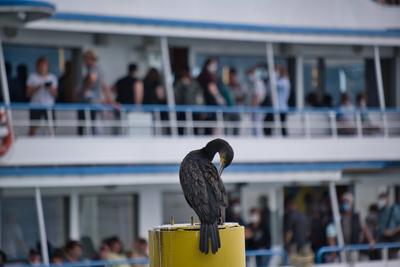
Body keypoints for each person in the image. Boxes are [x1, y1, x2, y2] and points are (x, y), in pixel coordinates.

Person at [77, 50, 114, 135]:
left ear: (89, 59)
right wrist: (110, 99)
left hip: (90, 103)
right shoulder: (99, 69)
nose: (84, 62)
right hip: (95, 103)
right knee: (94, 125)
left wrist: (86, 90)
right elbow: (104, 86)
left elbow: (92, 79)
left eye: (85, 60)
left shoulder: (93, 68)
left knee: (87, 125)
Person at [26, 56, 58, 136]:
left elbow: (56, 95)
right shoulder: (32, 77)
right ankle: (30, 144)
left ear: (47, 66)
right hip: (35, 106)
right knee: (33, 127)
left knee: (51, 127)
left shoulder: (52, 78)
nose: (43, 67)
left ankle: (51, 144)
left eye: (45, 65)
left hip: (49, 106)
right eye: (41, 65)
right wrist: (38, 86)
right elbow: (28, 94)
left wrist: (50, 88)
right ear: (37, 66)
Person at [197, 58, 226, 135]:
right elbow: (212, 89)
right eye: (213, 64)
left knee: (208, 127)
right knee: (210, 127)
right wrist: (220, 99)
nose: (215, 66)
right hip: (209, 105)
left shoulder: (203, 75)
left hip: (205, 106)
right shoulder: (207, 76)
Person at [174, 68, 204, 135]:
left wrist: (200, 108)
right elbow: (176, 96)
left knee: (195, 128)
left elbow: (199, 97)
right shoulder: (179, 84)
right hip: (182, 110)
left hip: (194, 110)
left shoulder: (195, 84)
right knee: (181, 127)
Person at [142, 68, 169, 135]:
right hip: (156, 107)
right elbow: (161, 96)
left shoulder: (143, 82)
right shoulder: (157, 84)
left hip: (146, 107)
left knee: (149, 125)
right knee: (157, 126)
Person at [377, 192, 400, 258]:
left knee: (393, 258)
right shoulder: (381, 211)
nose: (381, 201)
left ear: (387, 199)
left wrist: (392, 232)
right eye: (380, 199)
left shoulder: (395, 209)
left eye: (383, 199)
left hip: (394, 239)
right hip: (383, 240)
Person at [245, 66, 266, 136]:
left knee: (257, 127)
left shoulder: (258, 83)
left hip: (257, 108)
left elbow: (257, 97)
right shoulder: (255, 83)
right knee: (254, 127)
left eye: (249, 74)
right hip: (255, 108)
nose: (249, 76)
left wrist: (252, 108)